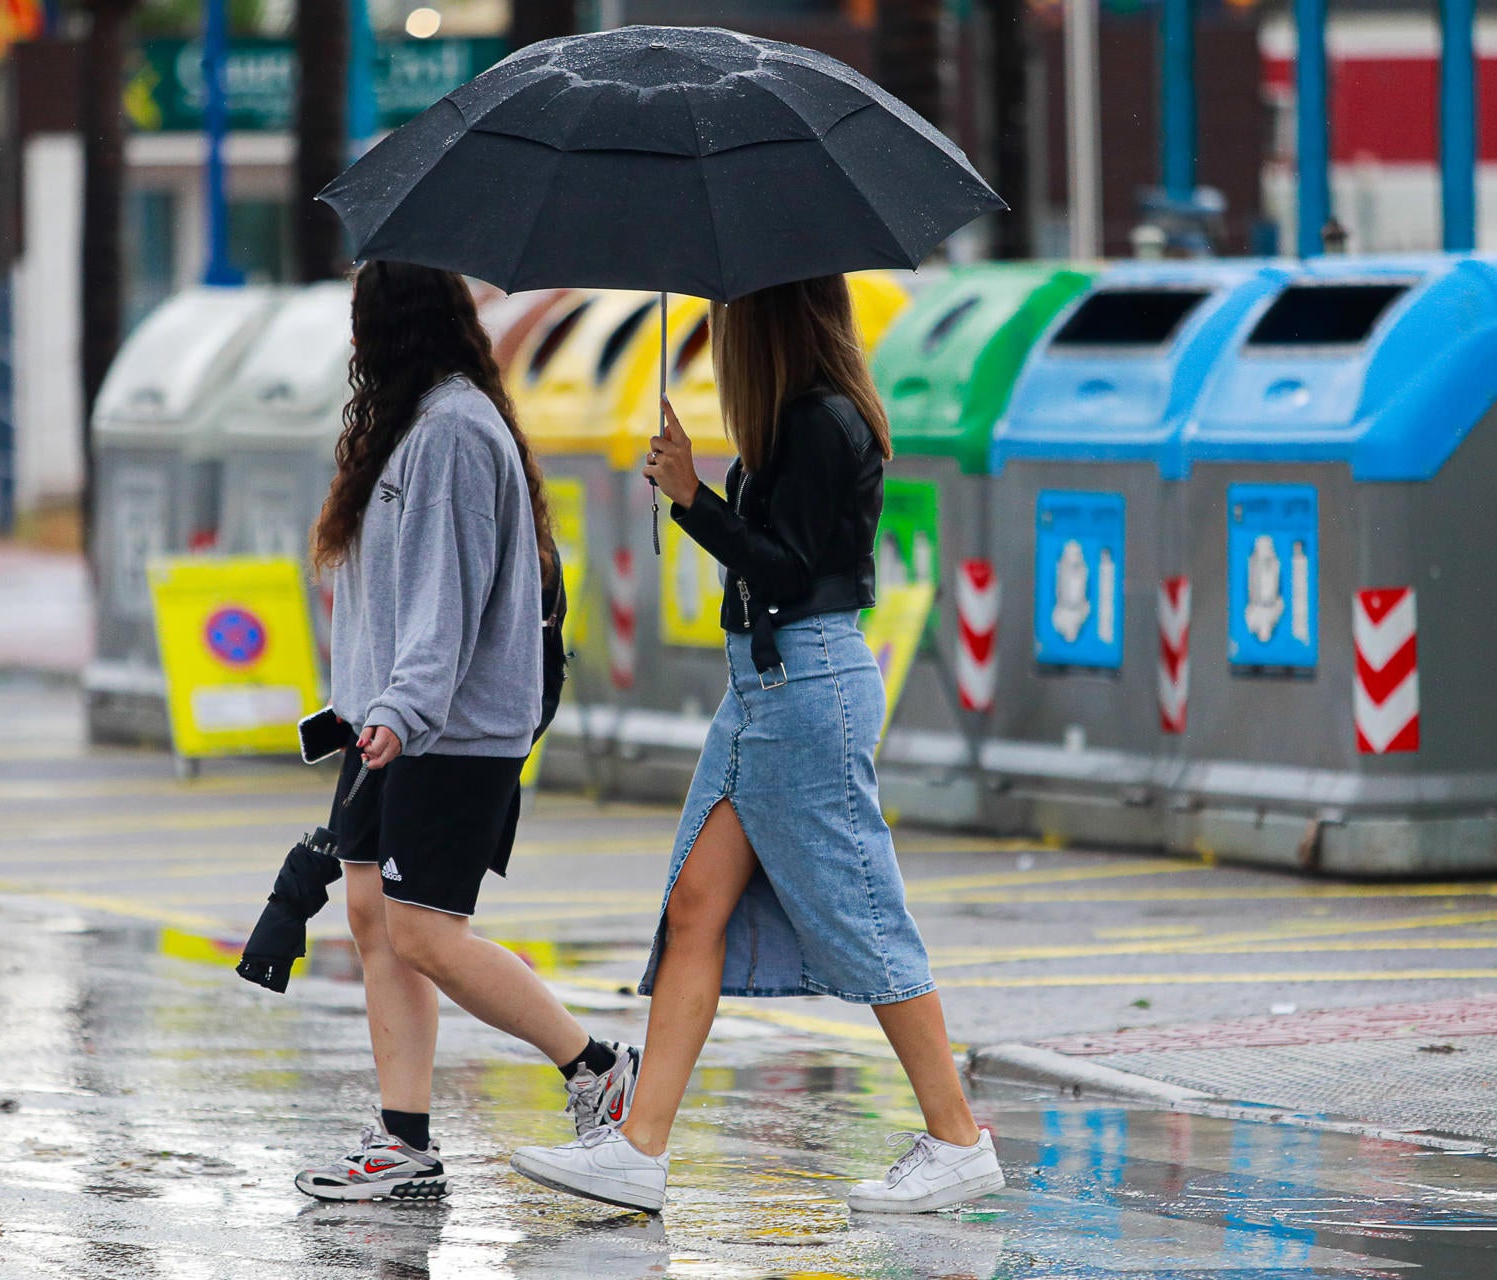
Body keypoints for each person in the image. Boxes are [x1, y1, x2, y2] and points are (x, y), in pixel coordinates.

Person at [510, 276, 1004, 1215]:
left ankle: (956, 1138)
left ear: (771, 318)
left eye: (730, 315)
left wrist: (694, 497)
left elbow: (788, 569)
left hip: (807, 685)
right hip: (766, 688)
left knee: (864, 910)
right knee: (697, 905)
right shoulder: (794, 421)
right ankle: (639, 1150)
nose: (720, 333)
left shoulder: (823, 422)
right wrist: (700, 491)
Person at [295, 260, 640, 1202]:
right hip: (394, 723)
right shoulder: (414, 426)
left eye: (363, 319)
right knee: (374, 918)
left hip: (446, 730)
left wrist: (402, 712)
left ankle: (597, 1067)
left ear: (392, 326)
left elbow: (445, 600)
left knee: (424, 931)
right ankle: (403, 1142)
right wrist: (364, 707)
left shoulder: (449, 431)